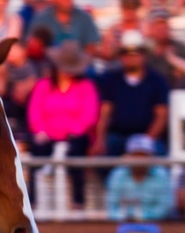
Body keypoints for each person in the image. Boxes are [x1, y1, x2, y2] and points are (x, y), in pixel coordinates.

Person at [26, 40, 99, 210]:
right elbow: (34, 111)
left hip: (74, 135)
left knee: (76, 152)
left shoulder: (86, 86)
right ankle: (33, 201)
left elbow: (90, 114)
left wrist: (75, 131)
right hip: (47, 134)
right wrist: (40, 130)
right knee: (37, 150)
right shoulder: (43, 85)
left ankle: (78, 200)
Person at [92, 30, 169, 158]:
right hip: (118, 136)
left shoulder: (157, 80)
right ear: (121, 56)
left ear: (143, 55)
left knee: (159, 155)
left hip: (147, 136)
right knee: (102, 154)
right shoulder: (111, 78)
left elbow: (161, 116)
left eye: (136, 53)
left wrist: (146, 141)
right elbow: (105, 112)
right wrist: (99, 140)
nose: (131, 57)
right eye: (126, 53)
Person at [105, 134, 173, 220]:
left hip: (157, 224)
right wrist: (124, 219)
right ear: (128, 156)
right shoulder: (118, 175)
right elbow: (112, 207)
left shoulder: (161, 175)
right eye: (136, 155)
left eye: (144, 155)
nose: (140, 160)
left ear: (152, 156)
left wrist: (141, 217)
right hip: (122, 224)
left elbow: (164, 208)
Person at [26, 0, 100, 53]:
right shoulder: (41, 19)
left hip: (79, 62)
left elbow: (91, 48)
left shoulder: (85, 18)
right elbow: (31, 46)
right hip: (48, 63)